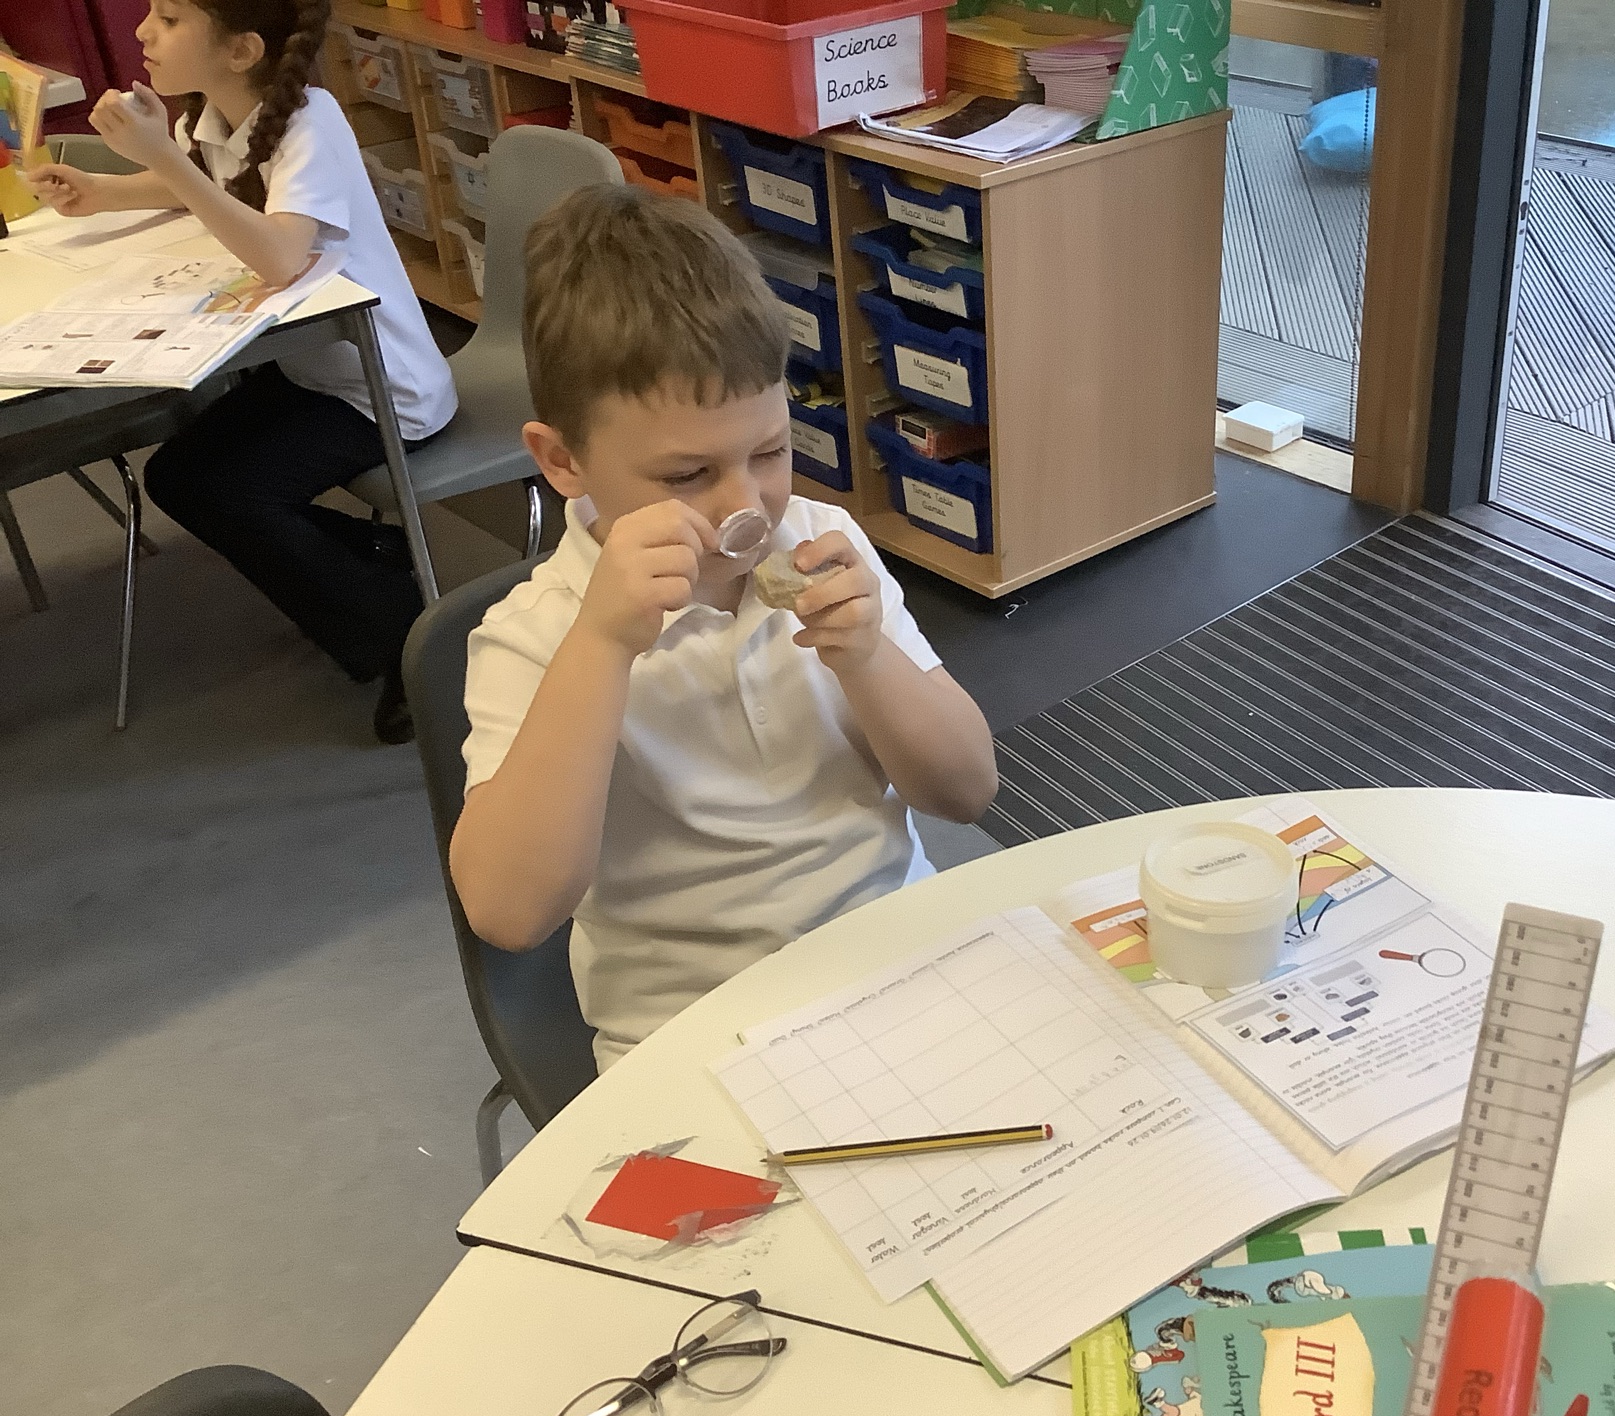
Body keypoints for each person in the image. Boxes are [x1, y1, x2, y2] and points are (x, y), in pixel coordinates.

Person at [448, 185, 997, 1070]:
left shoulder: (823, 544)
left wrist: (867, 658)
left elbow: (966, 791)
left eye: (770, 452)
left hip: (895, 959)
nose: (746, 504)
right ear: (564, 460)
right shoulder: (537, 636)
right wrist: (602, 648)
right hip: (692, 1034)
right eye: (687, 474)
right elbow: (511, 913)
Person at [29, 0, 458, 744]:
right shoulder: (215, 119)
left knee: (236, 491)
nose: (142, 31)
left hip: (383, 388)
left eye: (168, 19)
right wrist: (105, 193)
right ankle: (366, 553)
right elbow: (206, 187)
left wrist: (159, 156)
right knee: (178, 477)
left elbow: (282, 256)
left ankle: (408, 636)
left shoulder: (311, 122)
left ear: (241, 51)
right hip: (312, 374)